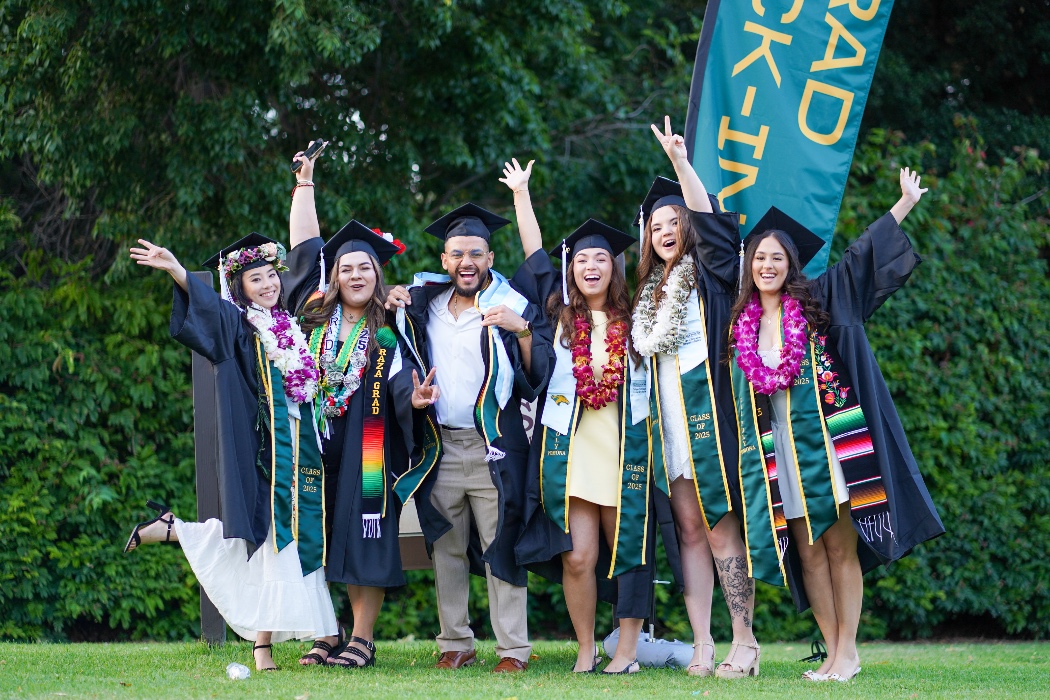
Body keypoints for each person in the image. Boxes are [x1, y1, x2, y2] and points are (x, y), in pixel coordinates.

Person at [727, 167, 944, 682]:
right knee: (807, 549)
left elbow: (860, 257)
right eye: (759, 257)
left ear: (791, 265)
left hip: (829, 443)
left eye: (777, 258)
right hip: (777, 450)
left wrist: (904, 203)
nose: (767, 265)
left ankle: (848, 651)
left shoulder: (818, 301)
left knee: (839, 544)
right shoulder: (743, 324)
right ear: (749, 266)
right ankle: (831, 651)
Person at [125, 233, 337, 671]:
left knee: (298, 536)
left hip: (300, 448)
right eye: (254, 279)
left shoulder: (290, 327)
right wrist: (176, 270)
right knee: (271, 539)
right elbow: (210, 311)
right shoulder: (239, 325)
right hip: (265, 451)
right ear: (239, 287)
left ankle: (172, 529)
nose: (267, 285)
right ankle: (263, 645)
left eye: (270, 277)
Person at [282, 149, 436, 668]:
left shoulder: (392, 328)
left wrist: (413, 398)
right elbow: (304, 248)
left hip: (369, 445)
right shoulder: (311, 319)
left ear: (377, 273)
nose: (354, 274)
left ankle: (363, 637)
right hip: (319, 441)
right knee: (321, 535)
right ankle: (329, 632)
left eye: (364, 267)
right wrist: (305, 182)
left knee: (364, 533)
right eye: (345, 267)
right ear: (336, 276)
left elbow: (402, 382)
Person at [385, 204, 553, 673]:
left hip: (494, 447)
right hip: (440, 445)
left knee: (504, 544)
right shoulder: (421, 306)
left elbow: (533, 377)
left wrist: (520, 332)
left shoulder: (510, 306)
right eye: (457, 253)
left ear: (490, 258)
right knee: (446, 547)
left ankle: (513, 650)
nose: (467, 262)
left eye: (476, 253)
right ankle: (454, 642)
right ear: (443, 260)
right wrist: (412, 397)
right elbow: (396, 362)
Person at [498, 159, 650, 674]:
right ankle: (587, 647)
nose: (590, 265)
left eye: (601, 257)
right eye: (582, 257)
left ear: (614, 267)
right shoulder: (558, 317)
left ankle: (626, 650)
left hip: (626, 449)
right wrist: (521, 194)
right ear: (572, 268)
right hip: (572, 452)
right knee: (577, 557)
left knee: (627, 549)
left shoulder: (640, 319)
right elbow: (534, 254)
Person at [631, 117, 759, 678]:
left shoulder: (710, 273)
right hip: (669, 426)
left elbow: (712, 226)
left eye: (673, 221)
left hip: (709, 419)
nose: (665, 231)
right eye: (656, 225)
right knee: (686, 531)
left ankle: (746, 642)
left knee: (720, 528)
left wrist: (681, 163)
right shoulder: (648, 294)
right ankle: (703, 646)